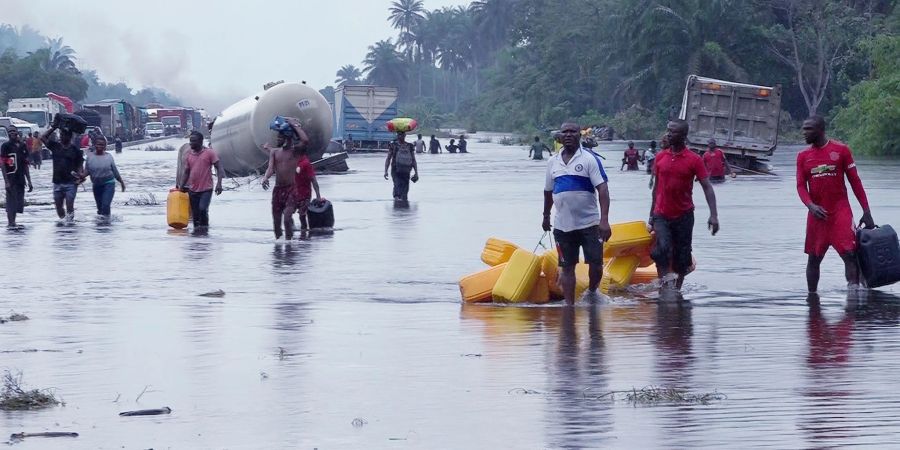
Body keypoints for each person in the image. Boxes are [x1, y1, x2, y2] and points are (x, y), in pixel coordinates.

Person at [796, 116, 875, 293]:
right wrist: (810, 205)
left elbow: (855, 182)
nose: (804, 133)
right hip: (817, 215)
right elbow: (801, 186)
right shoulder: (803, 157)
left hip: (840, 212)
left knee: (850, 255)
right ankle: (812, 299)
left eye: (808, 129)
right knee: (813, 259)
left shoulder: (841, 151)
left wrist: (866, 210)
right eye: (804, 129)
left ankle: (853, 297)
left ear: (820, 130)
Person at [542, 121, 611, 305]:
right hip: (562, 225)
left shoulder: (589, 159)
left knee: (596, 264)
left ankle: (592, 291)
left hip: (590, 224)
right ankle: (569, 306)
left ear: (579, 135)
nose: (569, 135)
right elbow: (548, 191)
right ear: (560, 136)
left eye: (573, 132)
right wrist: (546, 216)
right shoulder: (552, 162)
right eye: (565, 132)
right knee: (567, 267)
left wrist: (604, 220)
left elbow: (603, 190)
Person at [649, 119, 719, 290]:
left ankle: (677, 290)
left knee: (682, 257)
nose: (668, 134)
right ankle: (665, 286)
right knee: (662, 249)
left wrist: (714, 215)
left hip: (684, 215)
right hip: (661, 214)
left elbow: (707, 187)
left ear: (683, 136)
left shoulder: (694, 159)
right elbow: (656, 189)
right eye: (668, 130)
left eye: (673, 132)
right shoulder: (660, 157)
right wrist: (651, 216)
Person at [261, 118, 311, 240]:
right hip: (278, 190)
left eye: (280, 137)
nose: (277, 139)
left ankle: (289, 243)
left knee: (287, 217)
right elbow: (271, 168)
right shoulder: (274, 152)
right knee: (276, 221)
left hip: (291, 190)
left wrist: (294, 126)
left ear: (287, 138)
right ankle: (279, 244)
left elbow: (305, 140)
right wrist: (265, 178)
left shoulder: (295, 152)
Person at [41, 120, 85, 222]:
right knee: (59, 207)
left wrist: (79, 176)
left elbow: (80, 165)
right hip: (57, 182)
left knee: (70, 205)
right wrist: (54, 127)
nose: (61, 137)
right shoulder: (55, 146)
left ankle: (70, 225)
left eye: (63, 135)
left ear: (69, 137)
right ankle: (63, 223)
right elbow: (43, 138)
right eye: (60, 135)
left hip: (71, 183)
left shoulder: (76, 151)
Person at [179, 131, 223, 229]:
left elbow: (219, 167)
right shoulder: (188, 155)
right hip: (192, 189)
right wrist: (181, 187)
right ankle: (198, 238)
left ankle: (205, 232)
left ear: (201, 141)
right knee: (195, 215)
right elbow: (186, 172)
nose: (191, 143)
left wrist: (219, 184)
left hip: (206, 189)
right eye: (190, 141)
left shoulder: (209, 153)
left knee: (203, 209)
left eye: (194, 141)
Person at [84, 136, 125, 219]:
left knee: (105, 205)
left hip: (109, 184)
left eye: (102, 145)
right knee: (100, 208)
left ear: (105, 146)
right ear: (94, 145)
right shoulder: (90, 157)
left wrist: (121, 182)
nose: (100, 146)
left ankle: (106, 225)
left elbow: (115, 171)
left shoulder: (109, 157)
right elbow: (87, 171)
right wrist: (79, 177)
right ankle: (102, 226)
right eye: (98, 144)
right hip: (96, 185)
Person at [1, 127, 33, 228]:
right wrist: (6, 181)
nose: (12, 133)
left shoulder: (23, 146)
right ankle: (11, 223)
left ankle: (13, 222)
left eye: (13, 131)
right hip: (11, 178)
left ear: (17, 133)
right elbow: (2, 164)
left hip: (20, 178)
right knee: (11, 202)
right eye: (10, 132)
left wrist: (29, 181)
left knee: (19, 202)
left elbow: (25, 164)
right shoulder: (5, 146)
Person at [294, 141, 322, 231]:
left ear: (298, 153)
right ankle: (291, 231)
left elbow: (313, 180)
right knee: (287, 212)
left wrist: (318, 196)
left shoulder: (306, 164)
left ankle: (304, 235)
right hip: (294, 195)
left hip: (304, 195)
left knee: (302, 216)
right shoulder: (295, 162)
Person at [384, 130, 419, 201]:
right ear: (397, 135)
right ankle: (399, 205)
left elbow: (413, 160)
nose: (400, 136)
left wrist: (416, 172)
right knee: (397, 186)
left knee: (405, 189)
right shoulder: (393, 145)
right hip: (396, 169)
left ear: (405, 135)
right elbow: (388, 158)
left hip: (406, 170)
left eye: (401, 135)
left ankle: (401, 205)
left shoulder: (409, 146)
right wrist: (386, 171)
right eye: (399, 135)